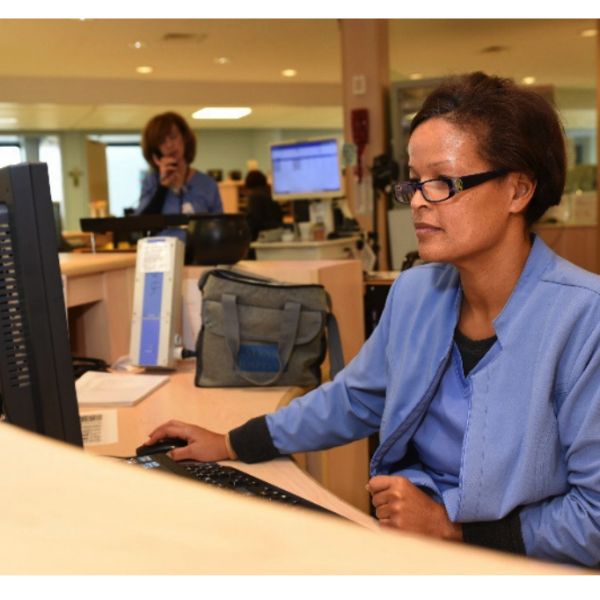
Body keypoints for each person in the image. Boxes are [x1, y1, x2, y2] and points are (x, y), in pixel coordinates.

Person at [143, 72, 600, 567]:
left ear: (518, 190)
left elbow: (593, 517)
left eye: (443, 182)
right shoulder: (416, 293)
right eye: (415, 183)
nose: (420, 201)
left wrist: (451, 531)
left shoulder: (583, 320)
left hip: (519, 566)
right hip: (414, 544)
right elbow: (354, 398)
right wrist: (233, 442)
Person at [136, 111, 223, 216]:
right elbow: (142, 225)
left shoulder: (207, 184)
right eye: (162, 142)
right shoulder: (151, 183)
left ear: (184, 138)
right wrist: (162, 188)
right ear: (156, 151)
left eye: (173, 137)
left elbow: (219, 225)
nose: (169, 145)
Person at [243, 169, 283, 242]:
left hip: (261, 239)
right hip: (275, 237)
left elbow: (253, 223)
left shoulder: (255, 197)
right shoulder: (271, 195)